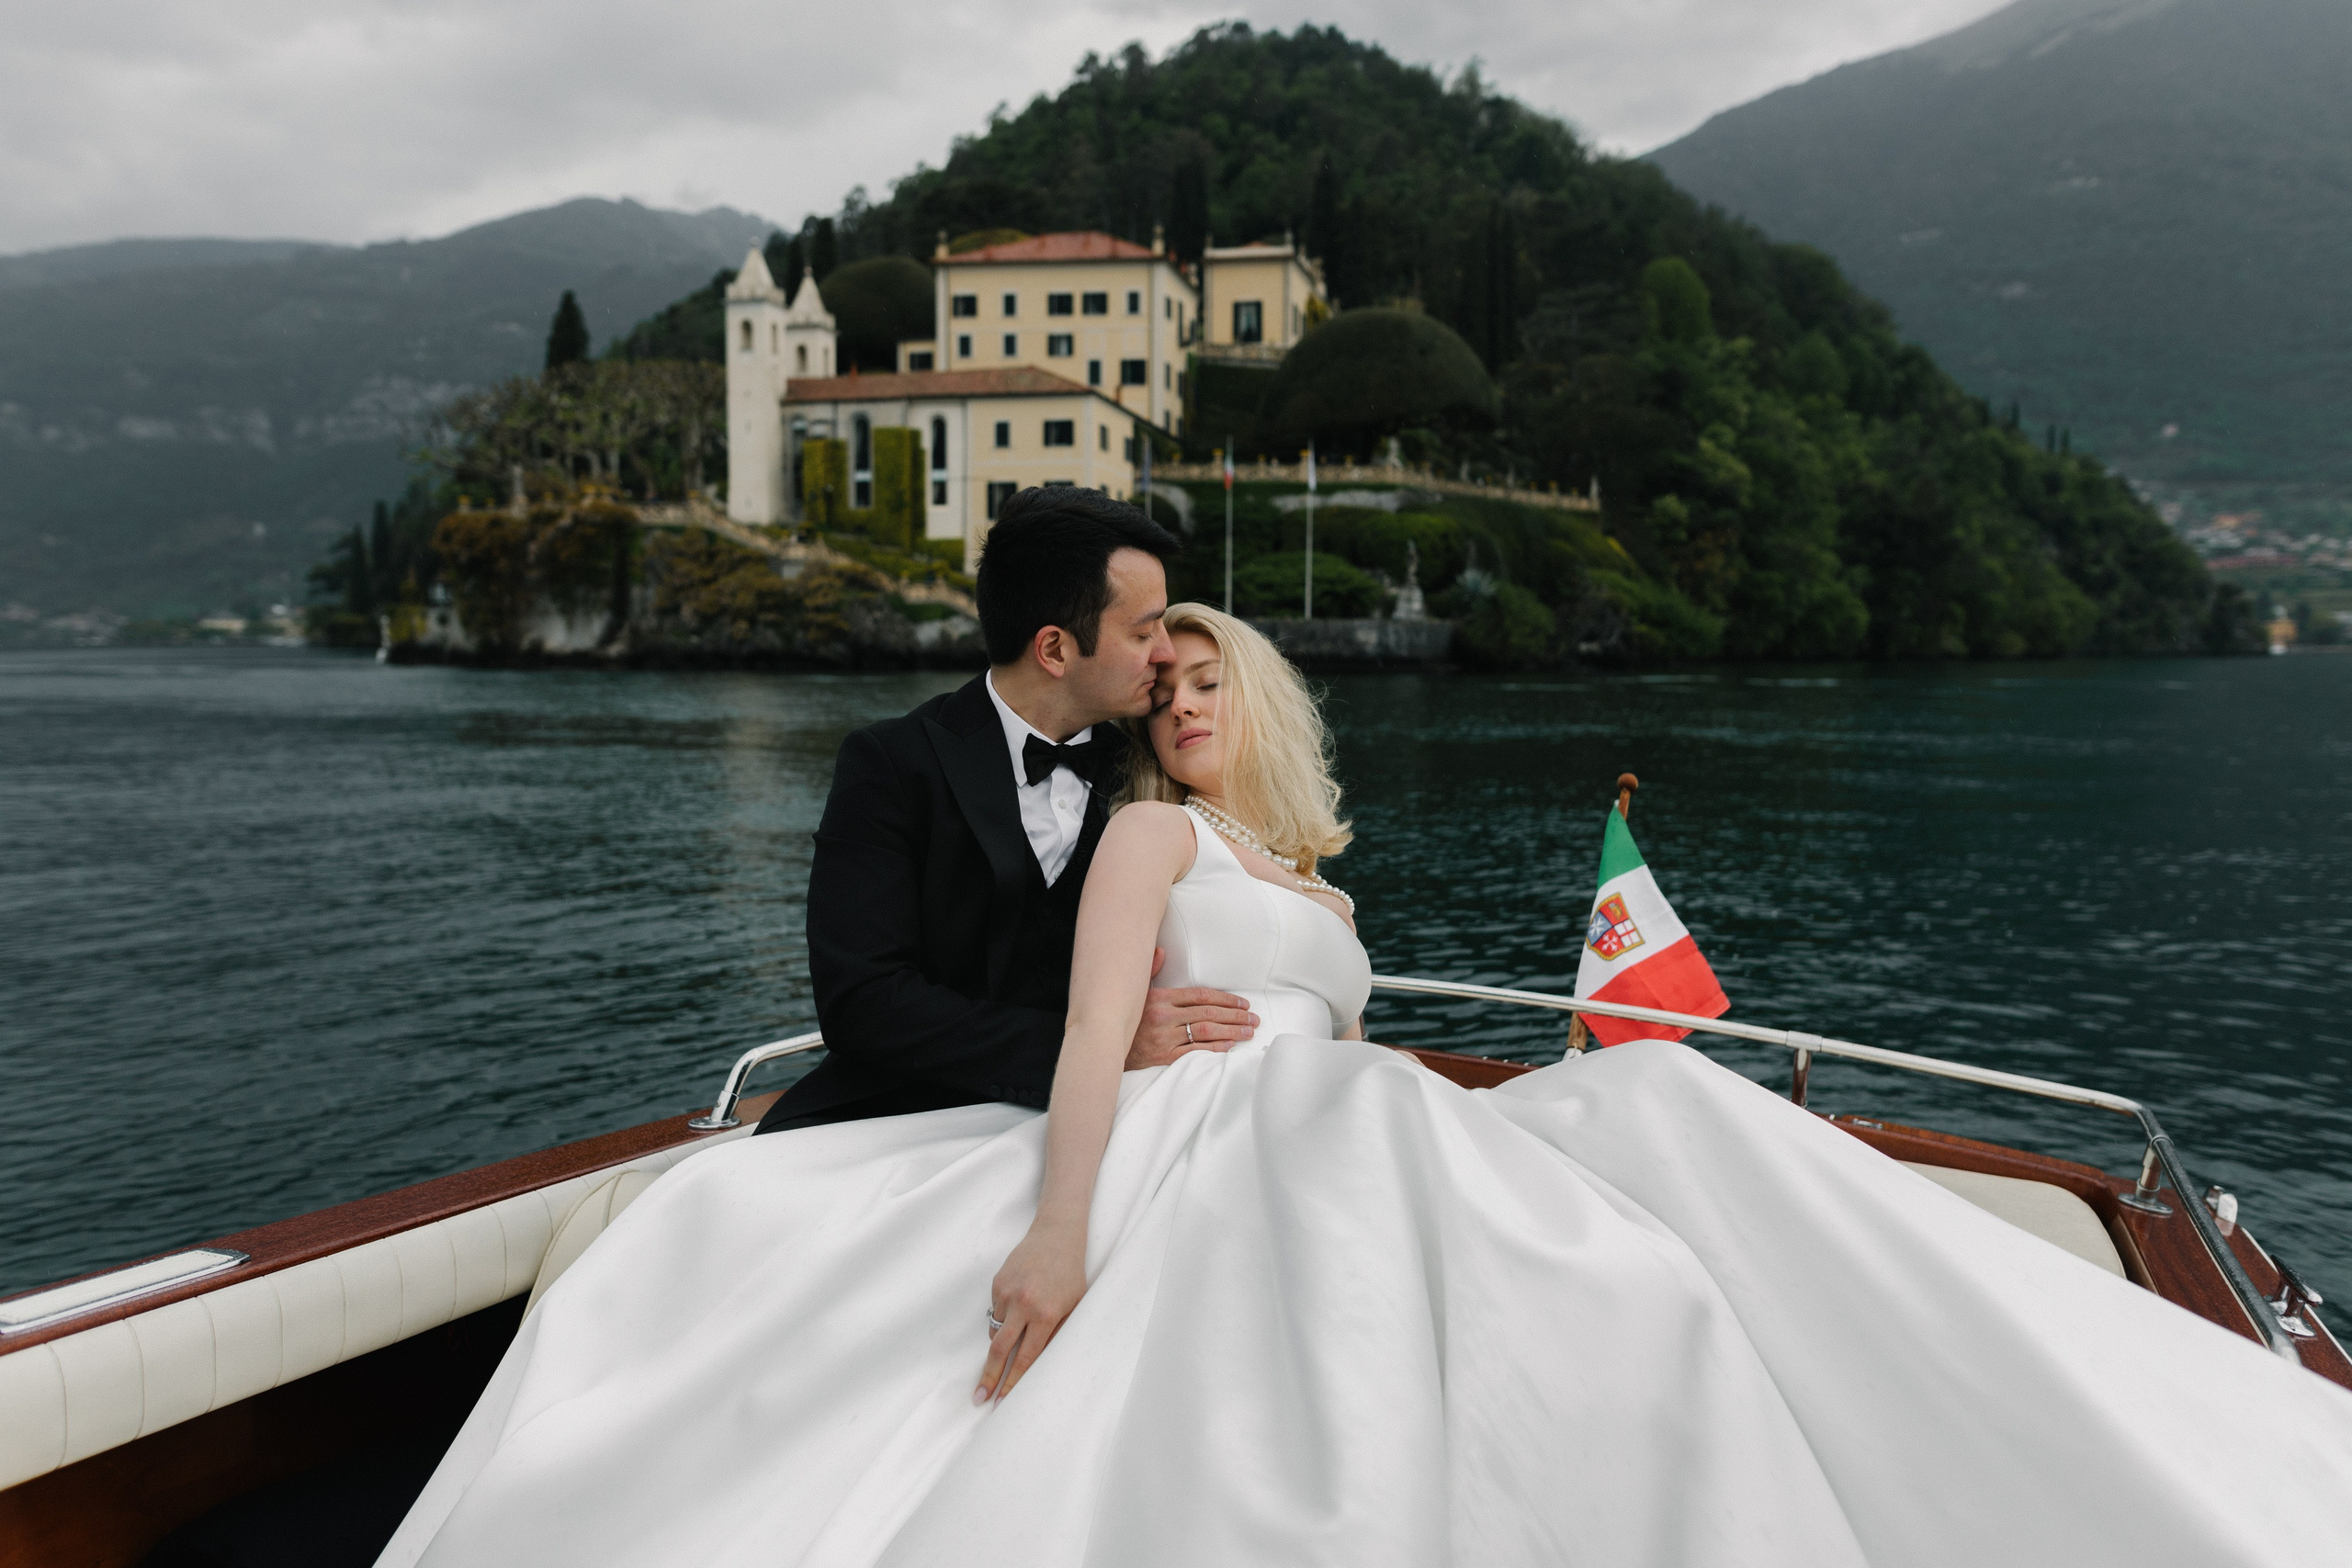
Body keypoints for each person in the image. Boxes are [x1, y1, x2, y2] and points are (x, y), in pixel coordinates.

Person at [382, 609, 2352, 1568]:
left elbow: (1333, 1021)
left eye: (1198, 684)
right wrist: (1055, 1234)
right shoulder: (1147, 845)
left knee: (1669, 1118)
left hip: (1345, 1116)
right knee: (1603, 1203)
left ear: (1261, 695)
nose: (1172, 708)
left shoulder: (1310, 887)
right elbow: (1090, 1038)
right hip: (1206, 1143)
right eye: (1154, 692)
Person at [756, 485, 1260, 1135]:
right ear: (1053, 650)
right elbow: (863, 1004)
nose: (1165, 653)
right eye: (1143, 630)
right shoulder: (888, 764)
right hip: (899, 1120)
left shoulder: (1154, 763)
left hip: (1116, 1117)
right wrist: (1099, 1046)